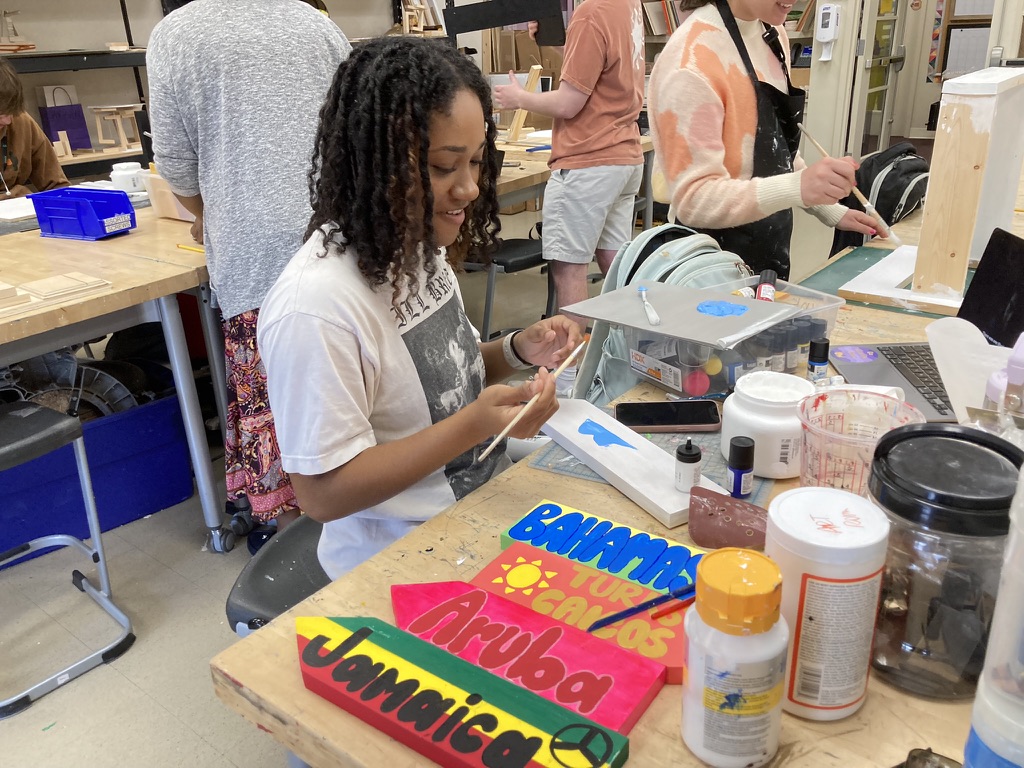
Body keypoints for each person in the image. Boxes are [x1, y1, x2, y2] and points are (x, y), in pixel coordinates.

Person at [258, 36, 583, 580]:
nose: (470, 188)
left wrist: (515, 351)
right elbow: (321, 493)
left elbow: (434, 377)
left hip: (479, 511)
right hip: (401, 562)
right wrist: (474, 426)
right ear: (374, 162)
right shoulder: (315, 308)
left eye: (476, 162)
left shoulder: (413, 248)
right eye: (442, 167)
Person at [147, 0, 351, 535]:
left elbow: (175, 166)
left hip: (254, 251)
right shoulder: (315, 22)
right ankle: (358, 529)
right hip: (341, 236)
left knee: (278, 409)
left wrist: (211, 216)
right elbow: (358, 128)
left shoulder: (177, 32)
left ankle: (295, 551)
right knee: (348, 393)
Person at [648, 0, 879, 280]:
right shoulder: (690, 61)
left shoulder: (772, 34)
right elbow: (694, 201)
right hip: (710, 270)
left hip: (769, 255)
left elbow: (776, 151)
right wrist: (799, 186)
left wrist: (830, 209)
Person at [493, 4, 646, 393]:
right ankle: (626, 363)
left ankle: (570, 381)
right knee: (617, 267)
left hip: (588, 161)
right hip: (623, 154)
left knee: (569, 269)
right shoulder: (627, 6)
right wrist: (560, 41)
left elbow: (568, 103)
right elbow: (600, 78)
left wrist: (518, 98)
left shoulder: (591, 12)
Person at [0, 58, 68, 199]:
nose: (8, 120)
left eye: (10, 112)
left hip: (18, 211)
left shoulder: (21, 121)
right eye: (0, 115)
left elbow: (57, 186)